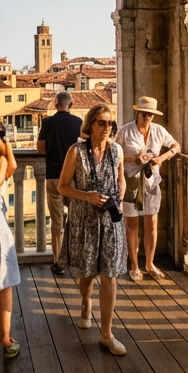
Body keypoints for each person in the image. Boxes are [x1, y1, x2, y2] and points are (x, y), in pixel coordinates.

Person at [57, 104, 128, 356]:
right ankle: (86, 301)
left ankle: (107, 334)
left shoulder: (117, 150)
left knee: (109, 276)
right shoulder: (75, 152)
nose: (107, 128)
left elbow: (121, 178)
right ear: (90, 125)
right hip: (84, 222)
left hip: (110, 222)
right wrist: (86, 196)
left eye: (110, 123)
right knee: (86, 274)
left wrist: (119, 196)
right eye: (102, 123)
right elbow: (62, 187)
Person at [116, 96, 179, 282]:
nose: (147, 118)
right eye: (144, 114)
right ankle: (134, 266)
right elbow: (114, 155)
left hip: (151, 183)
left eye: (150, 115)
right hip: (131, 182)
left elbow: (176, 146)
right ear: (137, 112)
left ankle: (150, 264)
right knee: (132, 225)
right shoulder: (125, 131)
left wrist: (161, 158)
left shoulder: (159, 131)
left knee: (152, 223)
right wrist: (133, 160)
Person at [37, 90, 82, 276]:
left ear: (56, 105)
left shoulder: (47, 122)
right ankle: (75, 257)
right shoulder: (79, 123)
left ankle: (57, 261)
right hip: (73, 177)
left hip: (54, 175)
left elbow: (40, 149)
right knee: (75, 219)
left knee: (57, 222)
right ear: (70, 105)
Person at [0, 128, 17, 358]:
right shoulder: (1, 161)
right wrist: (7, 143)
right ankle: (5, 337)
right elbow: (12, 166)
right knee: (2, 280)